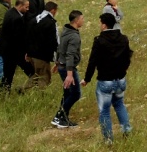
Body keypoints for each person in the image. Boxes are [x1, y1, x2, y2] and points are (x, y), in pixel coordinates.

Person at [81, 12, 134, 143]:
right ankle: (127, 130)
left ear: (104, 25)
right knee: (120, 105)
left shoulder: (99, 41)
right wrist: (124, 69)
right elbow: (128, 56)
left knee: (104, 110)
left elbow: (92, 62)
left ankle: (108, 139)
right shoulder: (124, 38)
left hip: (105, 81)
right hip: (120, 79)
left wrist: (87, 79)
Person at [52, 10, 84, 128]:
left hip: (61, 65)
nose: (83, 21)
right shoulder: (74, 36)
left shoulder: (66, 30)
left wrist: (57, 62)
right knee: (75, 94)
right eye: (82, 18)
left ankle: (61, 117)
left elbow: (60, 48)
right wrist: (70, 75)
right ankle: (60, 116)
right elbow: (70, 54)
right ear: (76, 20)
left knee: (67, 93)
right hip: (67, 68)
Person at [0, 0, 33, 93]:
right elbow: (18, 38)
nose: (28, 9)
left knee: (8, 73)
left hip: (7, 49)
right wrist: (27, 51)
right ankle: (16, 91)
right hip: (13, 51)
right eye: (26, 7)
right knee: (30, 72)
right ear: (20, 6)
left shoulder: (10, 12)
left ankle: (4, 92)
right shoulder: (17, 19)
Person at [21, 1, 59, 91]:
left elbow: (27, 37)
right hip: (42, 55)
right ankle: (38, 94)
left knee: (35, 74)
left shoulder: (34, 20)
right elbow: (53, 41)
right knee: (44, 77)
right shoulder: (50, 22)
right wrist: (57, 56)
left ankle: (23, 90)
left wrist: (27, 52)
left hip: (31, 54)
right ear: (53, 10)